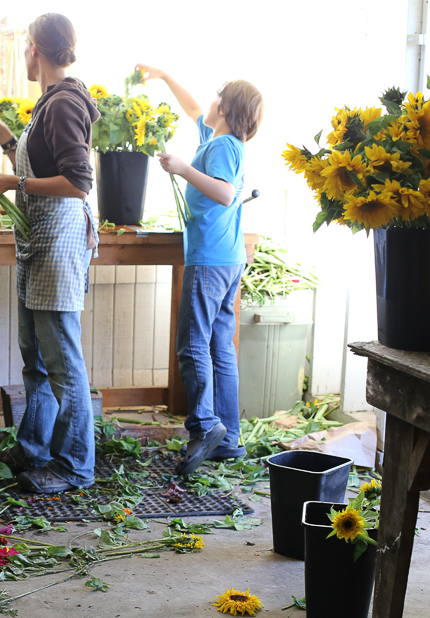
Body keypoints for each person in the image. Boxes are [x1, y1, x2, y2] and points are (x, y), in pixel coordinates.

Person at [0, 13, 100, 494]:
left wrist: (11, 182)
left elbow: (78, 183)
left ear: (36, 50)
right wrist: (2, 133)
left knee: (63, 364)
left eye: (25, 46)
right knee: (37, 361)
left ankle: (74, 466)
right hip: (39, 244)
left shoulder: (64, 104)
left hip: (59, 245)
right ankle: (34, 449)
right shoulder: (50, 102)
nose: (23, 54)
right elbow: (39, 163)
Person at [135, 63, 264, 473]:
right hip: (227, 259)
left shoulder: (224, 148)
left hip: (209, 261)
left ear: (224, 109)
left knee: (192, 343)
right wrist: (163, 76)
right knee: (220, 348)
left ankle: (206, 426)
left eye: (215, 99)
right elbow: (193, 108)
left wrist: (182, 169)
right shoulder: (219, 139)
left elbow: (225, 194)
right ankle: (229, 438)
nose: (207, 104)